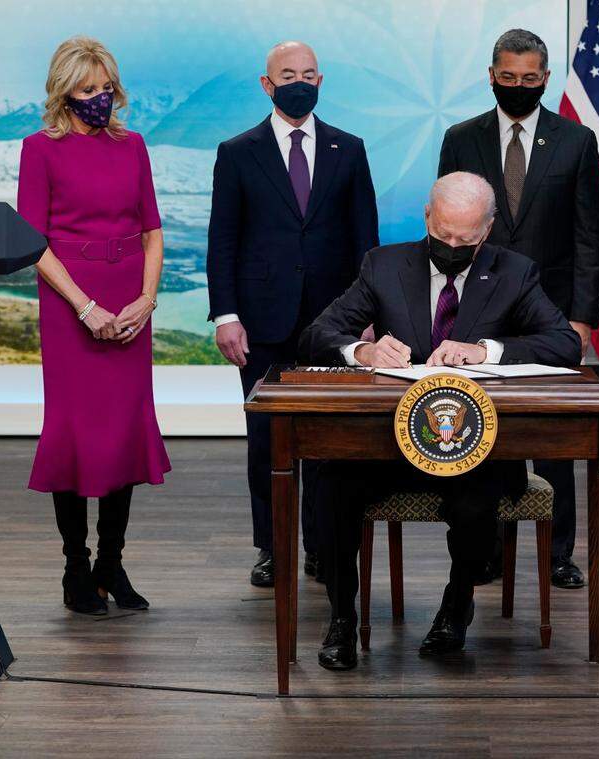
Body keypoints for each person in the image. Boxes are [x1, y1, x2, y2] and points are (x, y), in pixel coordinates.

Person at [300, 172, 581, 670]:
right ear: (427, 217)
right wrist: (362, 349)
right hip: (388, 443)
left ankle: (457, 604)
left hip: (474, 445)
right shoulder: (384, 265)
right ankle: (341, 616)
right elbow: (319, 333)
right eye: (443, 235)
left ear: (488, 229)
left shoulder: (515, 273)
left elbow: (565, 344)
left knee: (479, 500)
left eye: (466, 240)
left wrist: (485, 351)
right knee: (332, 481)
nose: (452, 247)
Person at [438, 28, 599, 589]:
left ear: (545, 79)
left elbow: (590, 237)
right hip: (478, 308)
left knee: (552, 437)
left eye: (528, 79)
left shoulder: (575, 141)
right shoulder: (461, 138)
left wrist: (582, 319)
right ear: (491, 75)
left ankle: (558, 553)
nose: (517, 87)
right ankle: (482, 552)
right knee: (480, 434)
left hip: (550, 313)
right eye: (507, 78)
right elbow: (448, 231)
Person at [206, 41, 379, 588]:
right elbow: (223, 242)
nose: (298, 81)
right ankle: (271, 546)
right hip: (261, 323)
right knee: (267, 442)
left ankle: (321, 545)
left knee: (329, 442)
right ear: (267, 83)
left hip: (336, 325)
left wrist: (370, 317)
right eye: (287, 74)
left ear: (321, 80)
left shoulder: (348, 150)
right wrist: (225, 316)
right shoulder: (237, 152)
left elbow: (365, 243)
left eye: (307, 73)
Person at [18, 36, 170, 615]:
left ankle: (112, 564)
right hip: (69, 303)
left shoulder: (132, 146)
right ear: (64, 92)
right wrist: (85, 307)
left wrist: (147, 299)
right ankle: (75, 568)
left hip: (130, 298)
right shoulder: (40, 149)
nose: (100, 99)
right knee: (75, 433)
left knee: (124, 432)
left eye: (106, 89)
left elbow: (152, 231)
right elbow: (35, 243)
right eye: (88, 90)